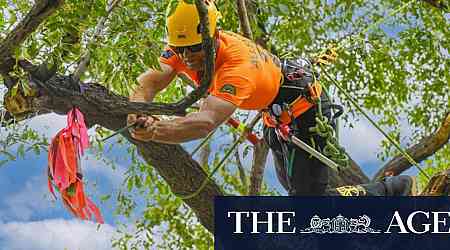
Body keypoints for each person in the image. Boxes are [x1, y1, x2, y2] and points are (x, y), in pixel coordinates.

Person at [127, 0, 419, 196]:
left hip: (306, 110)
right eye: (181, 50)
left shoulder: (237, 65)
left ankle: (396, 189)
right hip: (278, 115)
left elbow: (205, 122)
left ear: (212, 35)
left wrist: (156, 130)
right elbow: (148, 83)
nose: (187, 58)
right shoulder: (181, 50)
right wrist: (136, 113)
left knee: (308, 205)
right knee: (298, 195)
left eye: (193, 49)